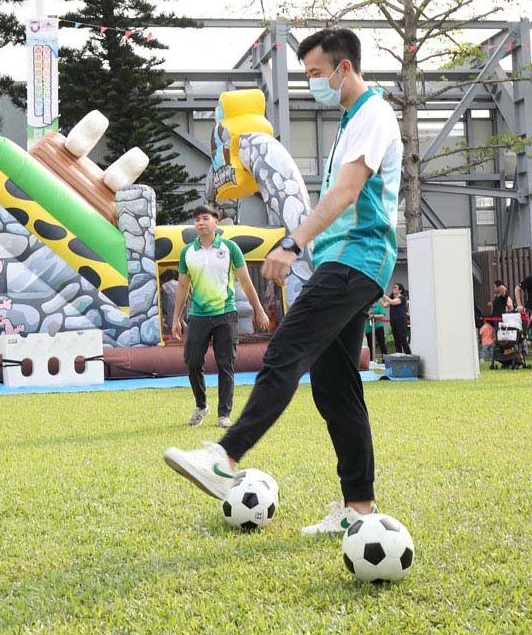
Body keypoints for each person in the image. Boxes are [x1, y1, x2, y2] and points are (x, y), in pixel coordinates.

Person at [163, 27, 402, 536]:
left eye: (316, 73)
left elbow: (347, 191)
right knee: (336, 388)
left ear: (344, 68)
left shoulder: (373, 114)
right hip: (346, 259)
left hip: (356, 258)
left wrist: (292, 243)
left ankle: (225, 458)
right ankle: (359, 509)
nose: (312, 83)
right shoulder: (351, 120)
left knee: (285, 351)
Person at [172, 205, 270, 429]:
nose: (200, 223)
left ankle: (224, 414)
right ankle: (201, 406)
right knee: (192, 362)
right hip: (198, 315)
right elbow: (182, 287)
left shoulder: (230, 248)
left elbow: (246, 282)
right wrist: (176, 318)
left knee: (225, 364)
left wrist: (259, 310)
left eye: (205, 218)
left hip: (226, 314)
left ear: (216, 221)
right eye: (196, 219)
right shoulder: (187, 252)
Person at [384, 282, 411, 354]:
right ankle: (399, 355)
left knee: (403, 339)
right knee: (396, 340)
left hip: (401, 321)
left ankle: (409, 355)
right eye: (393, 287)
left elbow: (392, 302)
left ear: (400, 290)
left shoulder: (402, 298)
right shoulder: (392, 298)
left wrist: (382, 294)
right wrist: (378, 297)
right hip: (393, 321)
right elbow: (384, 305)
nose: (393, 288)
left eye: (395, 287)